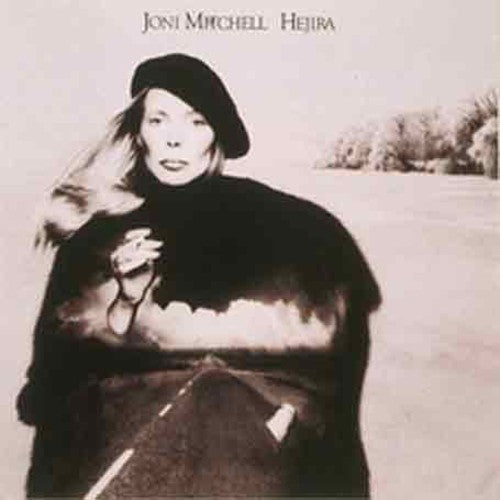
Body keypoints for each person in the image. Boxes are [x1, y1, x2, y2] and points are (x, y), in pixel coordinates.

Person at [17, 53, 382, 497]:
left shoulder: (301, 231)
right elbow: (53, 397)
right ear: (138, 131)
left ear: (216, 135)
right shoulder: (94, 240)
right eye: (158, 121)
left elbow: (337, 409)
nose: (174, 140)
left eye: (195, 122)